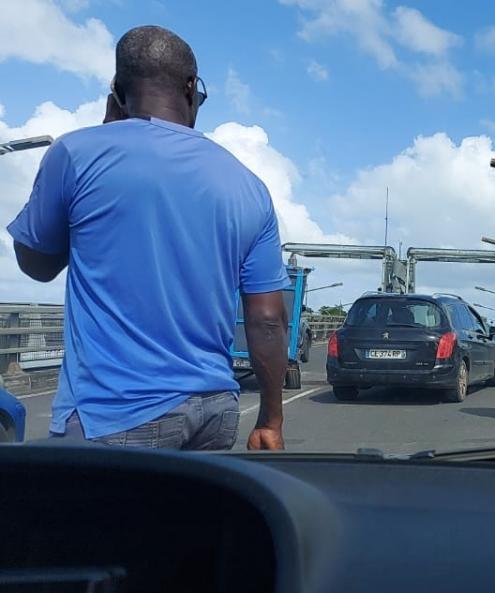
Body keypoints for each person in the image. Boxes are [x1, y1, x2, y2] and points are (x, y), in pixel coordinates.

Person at [7, 25, 289, 450]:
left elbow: (37, 263)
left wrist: (106, 132)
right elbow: (267, 319)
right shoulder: (248, 185)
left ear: (117, 91)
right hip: (214, 410)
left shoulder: (76, 153)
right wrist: (270, 418)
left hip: (114, 413)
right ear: (191, 88)